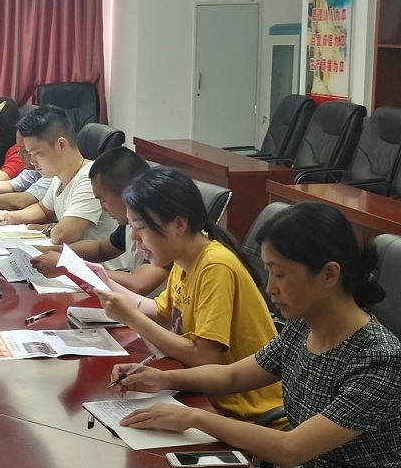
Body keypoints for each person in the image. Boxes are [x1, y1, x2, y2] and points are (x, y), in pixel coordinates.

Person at [111, 201, 401, 468]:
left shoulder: (378, 360)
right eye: (268, 272)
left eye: (281, 273)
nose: (269, 287)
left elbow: (291, 449)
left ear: (329, 274)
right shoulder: (302, 328)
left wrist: (196, 418)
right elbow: (232, 375)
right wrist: (162, 378)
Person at [95, 166, 281, 420]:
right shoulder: (184, 259)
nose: (134, 238)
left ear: (179, 225)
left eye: (140, 227)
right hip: (201, 394)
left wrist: (130, 317)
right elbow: (163, 314)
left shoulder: (215, 266)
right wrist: (101, 280)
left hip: (240, 410)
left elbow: (203, 357)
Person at [30, 146, 168, 294]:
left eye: (103, 200)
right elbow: (100, 249)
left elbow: (138, 284)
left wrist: (69, 267)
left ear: (127, 193)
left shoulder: (161, 228)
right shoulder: (130, 224)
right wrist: (50, 250)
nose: (103, 208)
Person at [0, 105, 116, 245]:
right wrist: (9, 217)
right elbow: (43, 209)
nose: (32, 161)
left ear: (61, 145)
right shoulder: (59, 176)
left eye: (37, 153)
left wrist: (47, 228)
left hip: (92, 259)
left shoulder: (91, 178)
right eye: (30, 154)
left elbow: (63, 235)